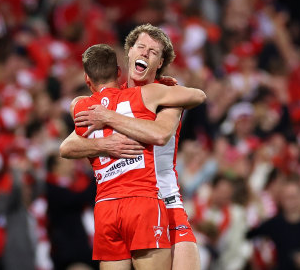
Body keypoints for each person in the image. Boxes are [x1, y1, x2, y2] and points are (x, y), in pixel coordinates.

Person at [60, 24, 203, 269]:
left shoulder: (167, 95)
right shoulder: (114, 97)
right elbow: (70, 145)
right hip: (127, 202)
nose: (146, 53)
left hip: (166, 200)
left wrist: (108, 118)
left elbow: (160, 134)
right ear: (129, 53)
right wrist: (107, 144)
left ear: (159, 64)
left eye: (153, 52)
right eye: (141, 47)